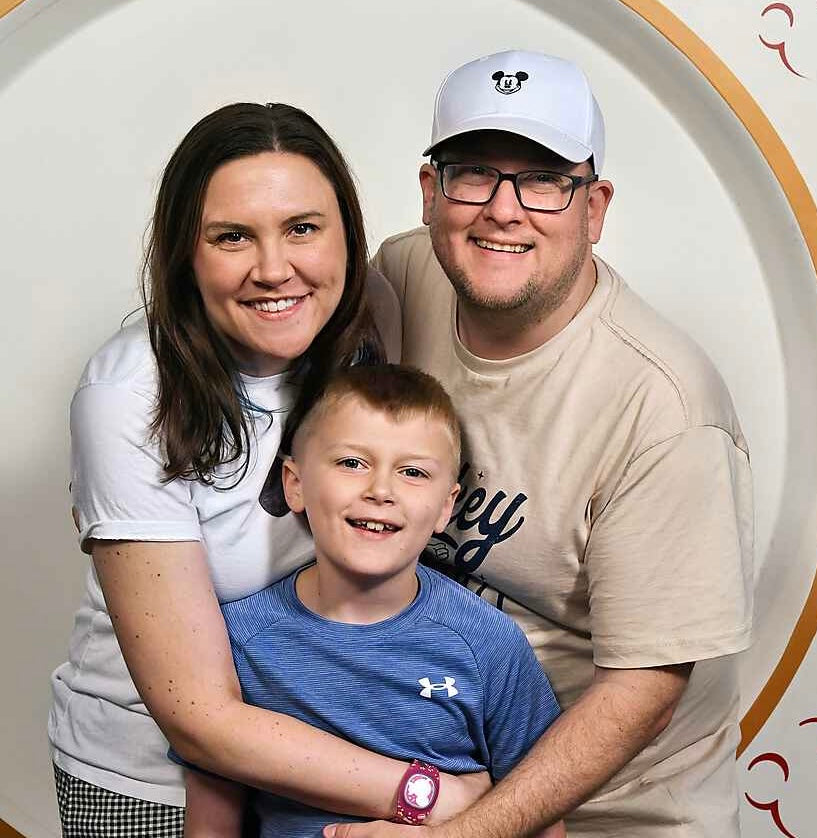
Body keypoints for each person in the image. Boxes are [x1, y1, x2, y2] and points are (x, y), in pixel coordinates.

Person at [332, 50, 754, 838]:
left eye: (543, 180)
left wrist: (468, 834)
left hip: (612, 814)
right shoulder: (404, 274)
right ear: (431, 194)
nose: (502, 209)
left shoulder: (664, 410)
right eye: (474, 174)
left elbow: (644, 688)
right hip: (433, 773)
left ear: (593, 208)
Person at [48, 102, 486, 838]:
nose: (274, 268)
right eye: (231, 237)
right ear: (186, 252)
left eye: (303, 228)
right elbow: (201, 721)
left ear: (348, 233)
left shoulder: (369, 316)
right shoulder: (127, 396)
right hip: (155, 784)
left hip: (328, 755)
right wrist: (435, 798)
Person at [179, 364, 565, 838]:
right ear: (294, 484)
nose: (380, 490)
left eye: (412, 472)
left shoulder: (488, 644)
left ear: (447, 504)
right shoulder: (238, 640)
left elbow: (541, 817)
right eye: (351, 463)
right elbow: (211, 826)